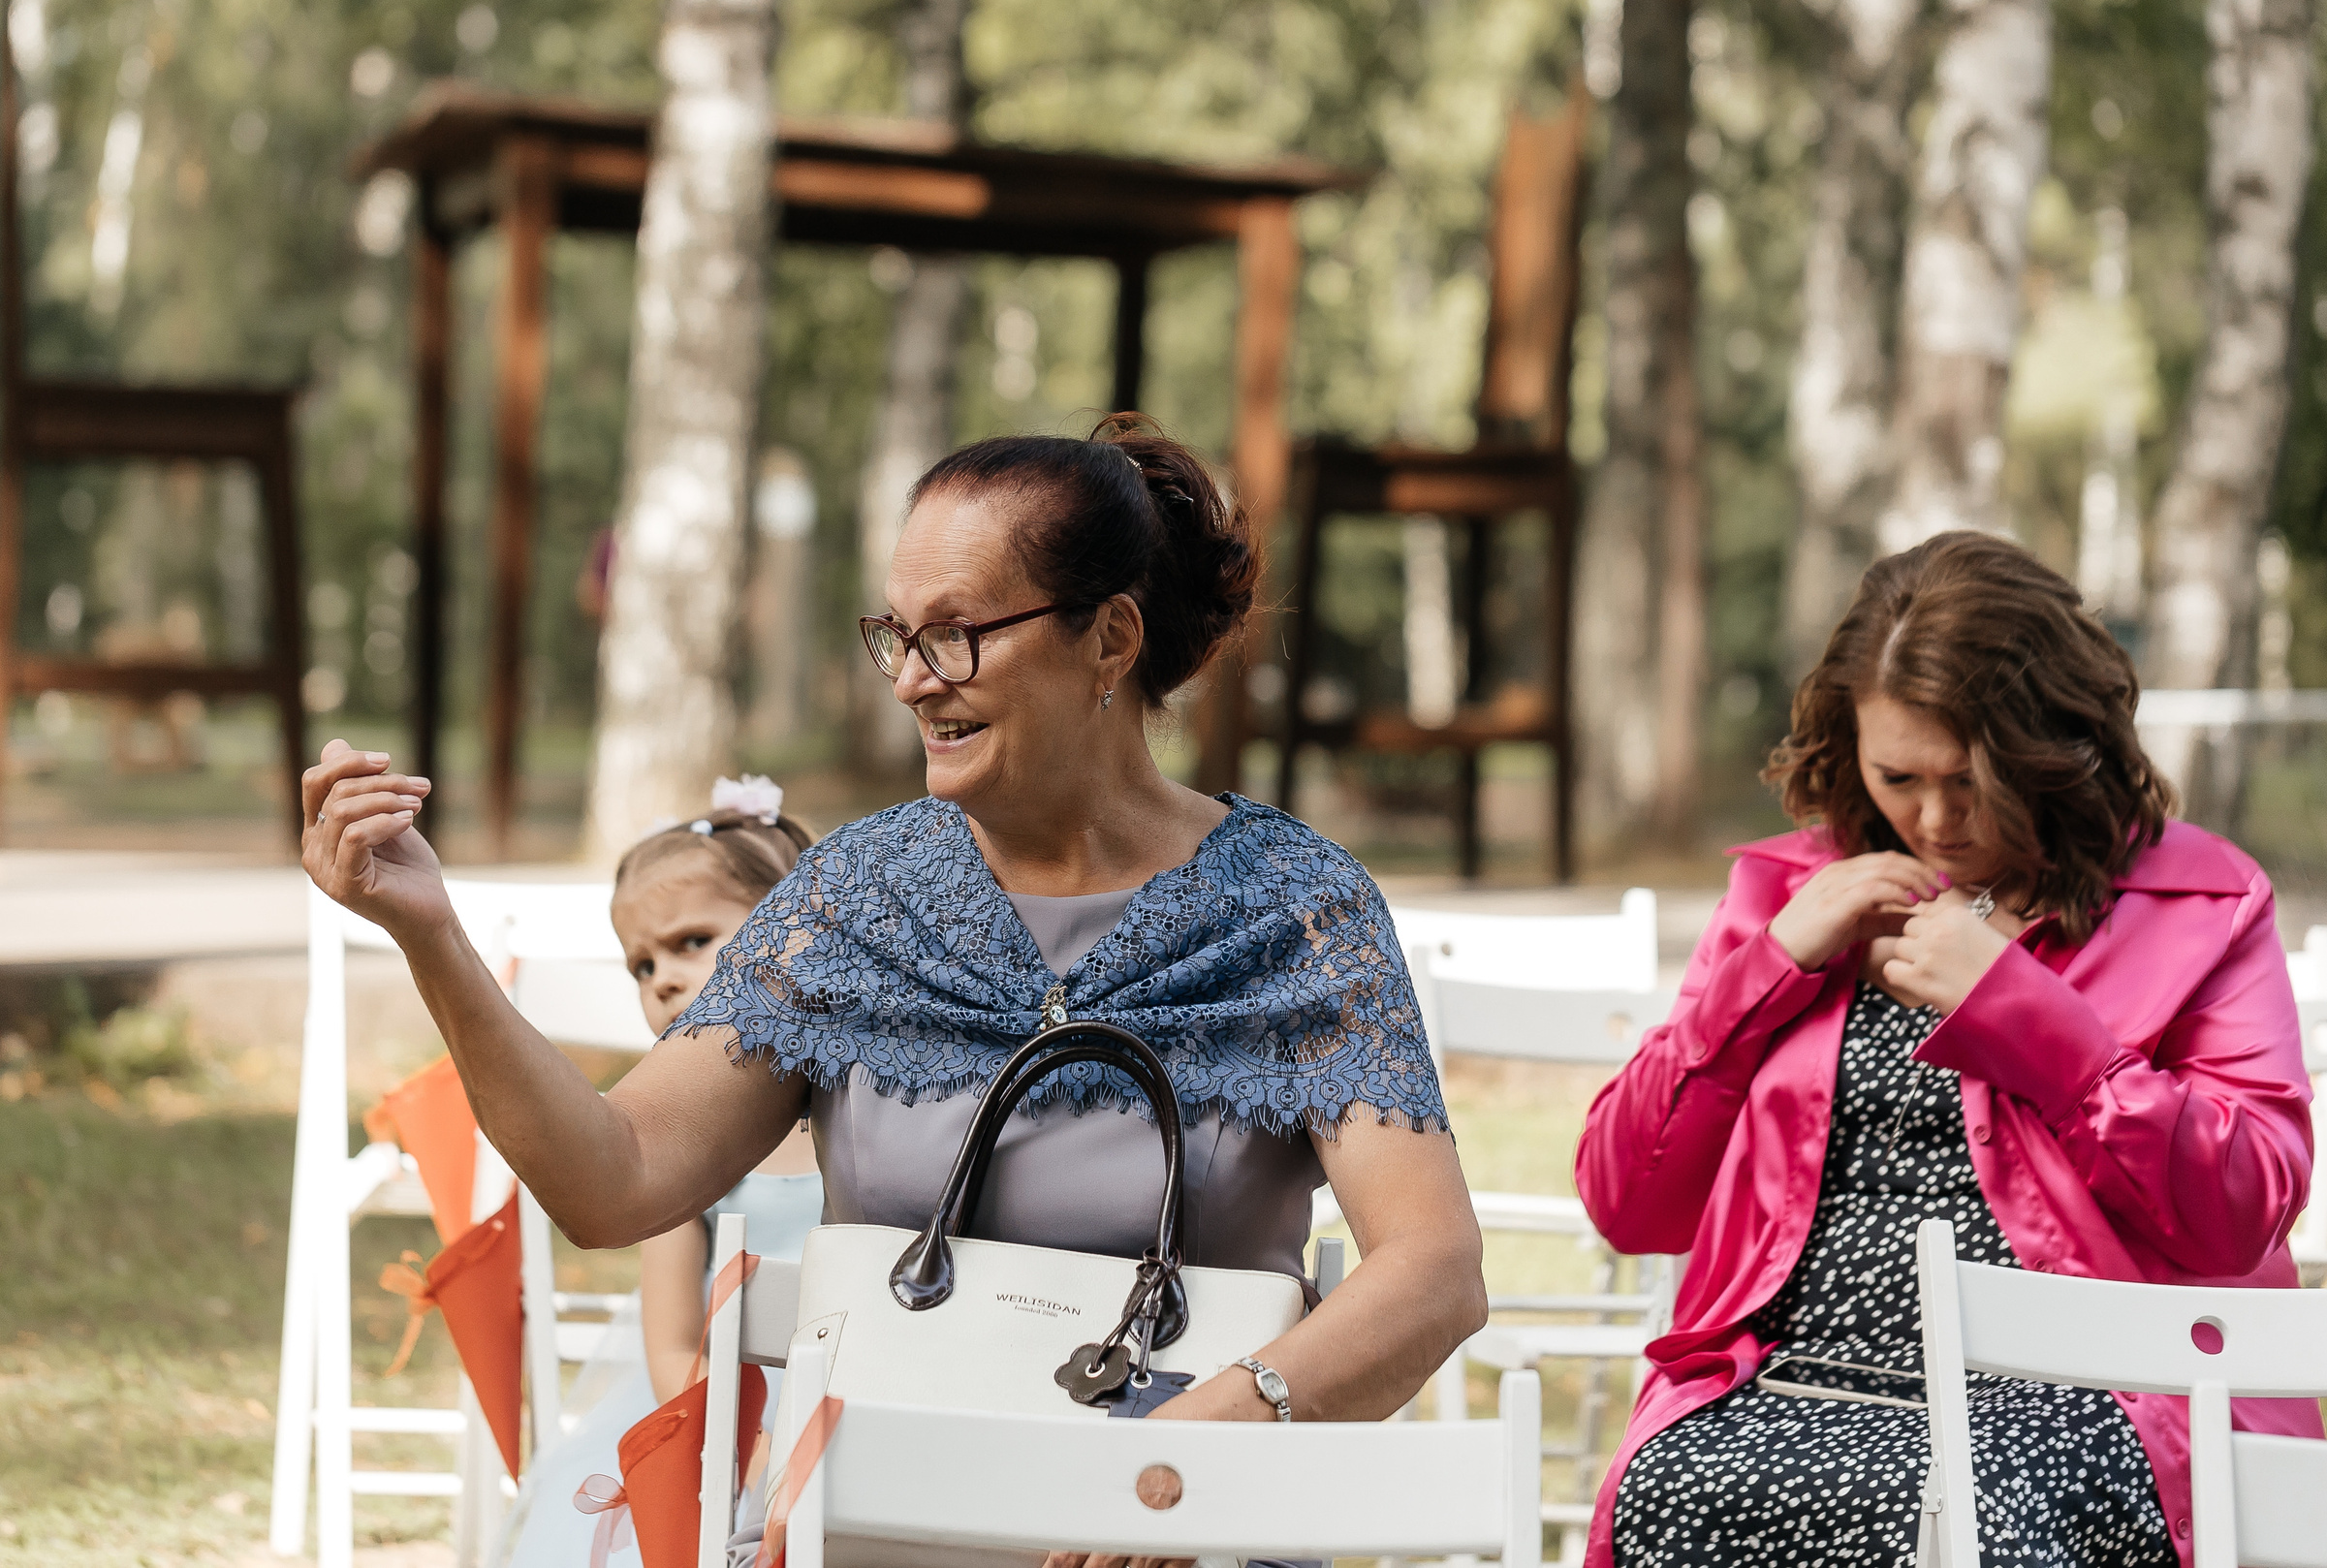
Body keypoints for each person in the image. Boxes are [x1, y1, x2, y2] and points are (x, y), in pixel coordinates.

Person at [303, 413, 1486, 1564]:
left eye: (958, 634)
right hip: (877, 1532)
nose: (915, 681)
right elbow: (614, 1182)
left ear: (1110, 641)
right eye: (898, 635)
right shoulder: (859, 894)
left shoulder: (1297, 906)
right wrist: (431, 938)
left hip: (1187, 1532)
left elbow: (1434, 1271)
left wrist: (1199, 1446)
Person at [1579, 531, 2319, 1568]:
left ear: (2052, 746)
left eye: (1970, 781)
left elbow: (2244, 1206)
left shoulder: (2199, 901)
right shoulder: (1787, 896)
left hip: (2088, 1388)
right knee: (1671, 1486)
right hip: (1796, 1371)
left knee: (1965, 1511)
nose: (1932, 818)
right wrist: (1770, 966)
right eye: (1898, 777)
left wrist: (2029, 1019)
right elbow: (1627, 1203)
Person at [491, 778, 823, 1568]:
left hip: (859, 1417)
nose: (661, 980)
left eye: (690, 942)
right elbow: (673, 1345)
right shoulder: (680, 1146)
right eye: (640, 965)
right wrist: (755, 1452)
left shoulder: (874, 1108)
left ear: (796, 927)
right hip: (718, 1429)